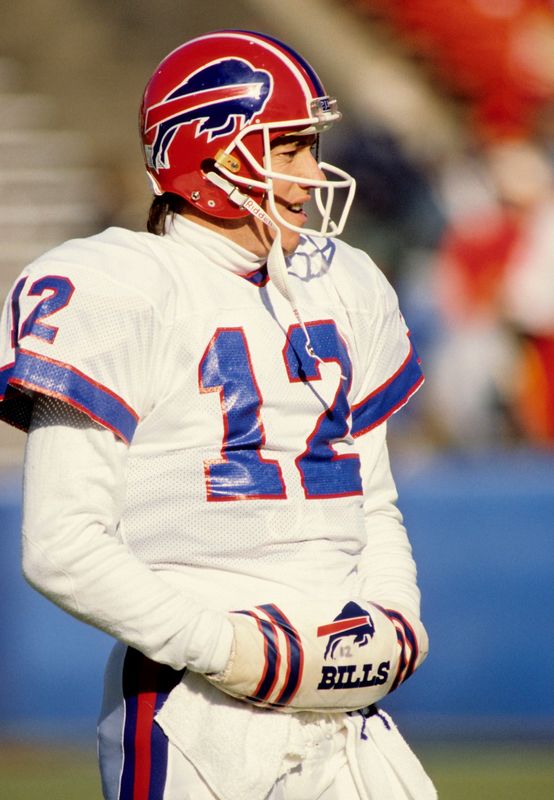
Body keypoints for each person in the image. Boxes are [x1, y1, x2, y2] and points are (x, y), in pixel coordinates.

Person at [0, 30, 436, 800]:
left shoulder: (343, 281)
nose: (310, 175)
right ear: (217, 158)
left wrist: (395, 612)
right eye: (290, 148)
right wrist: (229, 649)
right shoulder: (117, 286)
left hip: (349, 717)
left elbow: (371, 496)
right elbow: (60, 546)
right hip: (198, 712)